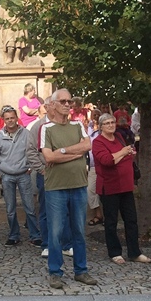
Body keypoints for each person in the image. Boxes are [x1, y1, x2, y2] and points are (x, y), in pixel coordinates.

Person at [40, 89, 97, 289]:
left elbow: (87, 145)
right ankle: (55, 272)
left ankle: (81, 270)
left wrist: (63, 151)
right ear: (53, 105)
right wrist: (76, 152)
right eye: (63, 101)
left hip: (79, 185)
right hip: (56, 187)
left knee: (79, 231)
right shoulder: (46, 128)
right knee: (55, 232)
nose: (67, 104)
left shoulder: (78, 126)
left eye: (69, 101)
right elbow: (49, 157)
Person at [92, 113, 151, 265]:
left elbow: (122, 158)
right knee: (111, 221)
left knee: (131, 220)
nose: (111, 125)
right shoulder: (98, 142)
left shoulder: (119, 136)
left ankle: (134, 252)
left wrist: (125, 154)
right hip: (109, 186)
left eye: (112, 122)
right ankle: (114, 252)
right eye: (107, 123)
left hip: (125, 185)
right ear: (101, 126)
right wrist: (123, 152)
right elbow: (107, 161)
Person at [26, 96, 73, 258]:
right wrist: (41, 169)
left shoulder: (67, 124)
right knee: (46, 209)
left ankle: (67, 244)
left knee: (66, 209)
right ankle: (46, 244)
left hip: (65, 172)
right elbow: (31, 151)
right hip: (46, 173)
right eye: (55, 104)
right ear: (47, 106)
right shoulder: (37, 126)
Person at [0, 105, 41, 247]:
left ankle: (34, 235)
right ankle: (14, 235)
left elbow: (33, 151)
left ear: (16, 118)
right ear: (3, 120)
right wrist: (0, 171)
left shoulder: (26, 133)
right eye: (7, 118)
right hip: (7, 176)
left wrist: (31, 166)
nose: (10, 120)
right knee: (10, 209)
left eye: (12, 117)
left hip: (24, 174)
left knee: (30, 207)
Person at [87, 111, 104, 226]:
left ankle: (107, 216)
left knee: (106, 191)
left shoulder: (104, 130)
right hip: (93, 165)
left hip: (104, 165)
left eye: (98, 115)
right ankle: (98, 213)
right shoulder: (88, 128)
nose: (96, 117)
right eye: (94, 115)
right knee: (90, 190)